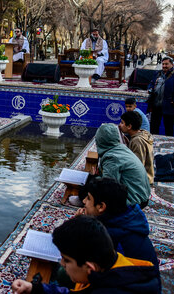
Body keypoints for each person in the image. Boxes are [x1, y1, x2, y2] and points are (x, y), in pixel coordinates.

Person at [11, 216, 161, 294]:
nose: (62, 263)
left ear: (89, 267)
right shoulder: (114, 269)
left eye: (67, 260)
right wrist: (36, 289)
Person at [76, 177, 159, 271]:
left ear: (101, 206)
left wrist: (79, 225)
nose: (84, 201)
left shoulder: (111, 236)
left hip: (130, 282)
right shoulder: (125, 218)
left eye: (88, 198)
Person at [94, 123, 151, 208]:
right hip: (142, 197)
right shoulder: (121, 148)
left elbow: (108, 186)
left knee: (93, 187)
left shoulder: (112, 157)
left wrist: (95, 179)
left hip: (133, 201)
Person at [147, 57, 174, 137]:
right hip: (155, 105)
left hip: (169, 106)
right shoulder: (158, 73)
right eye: (163, 64)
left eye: (166, 64)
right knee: (153, 127)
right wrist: (150, 88)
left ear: (172, 64)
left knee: (168, 128)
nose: (164, 66)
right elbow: (151, 83)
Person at [118, 111, 154, 184]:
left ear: (129, 126)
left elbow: (137, 165)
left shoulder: (137, 141)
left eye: (122, 123)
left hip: (143, 179)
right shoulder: (143, 133)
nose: (119, 125)